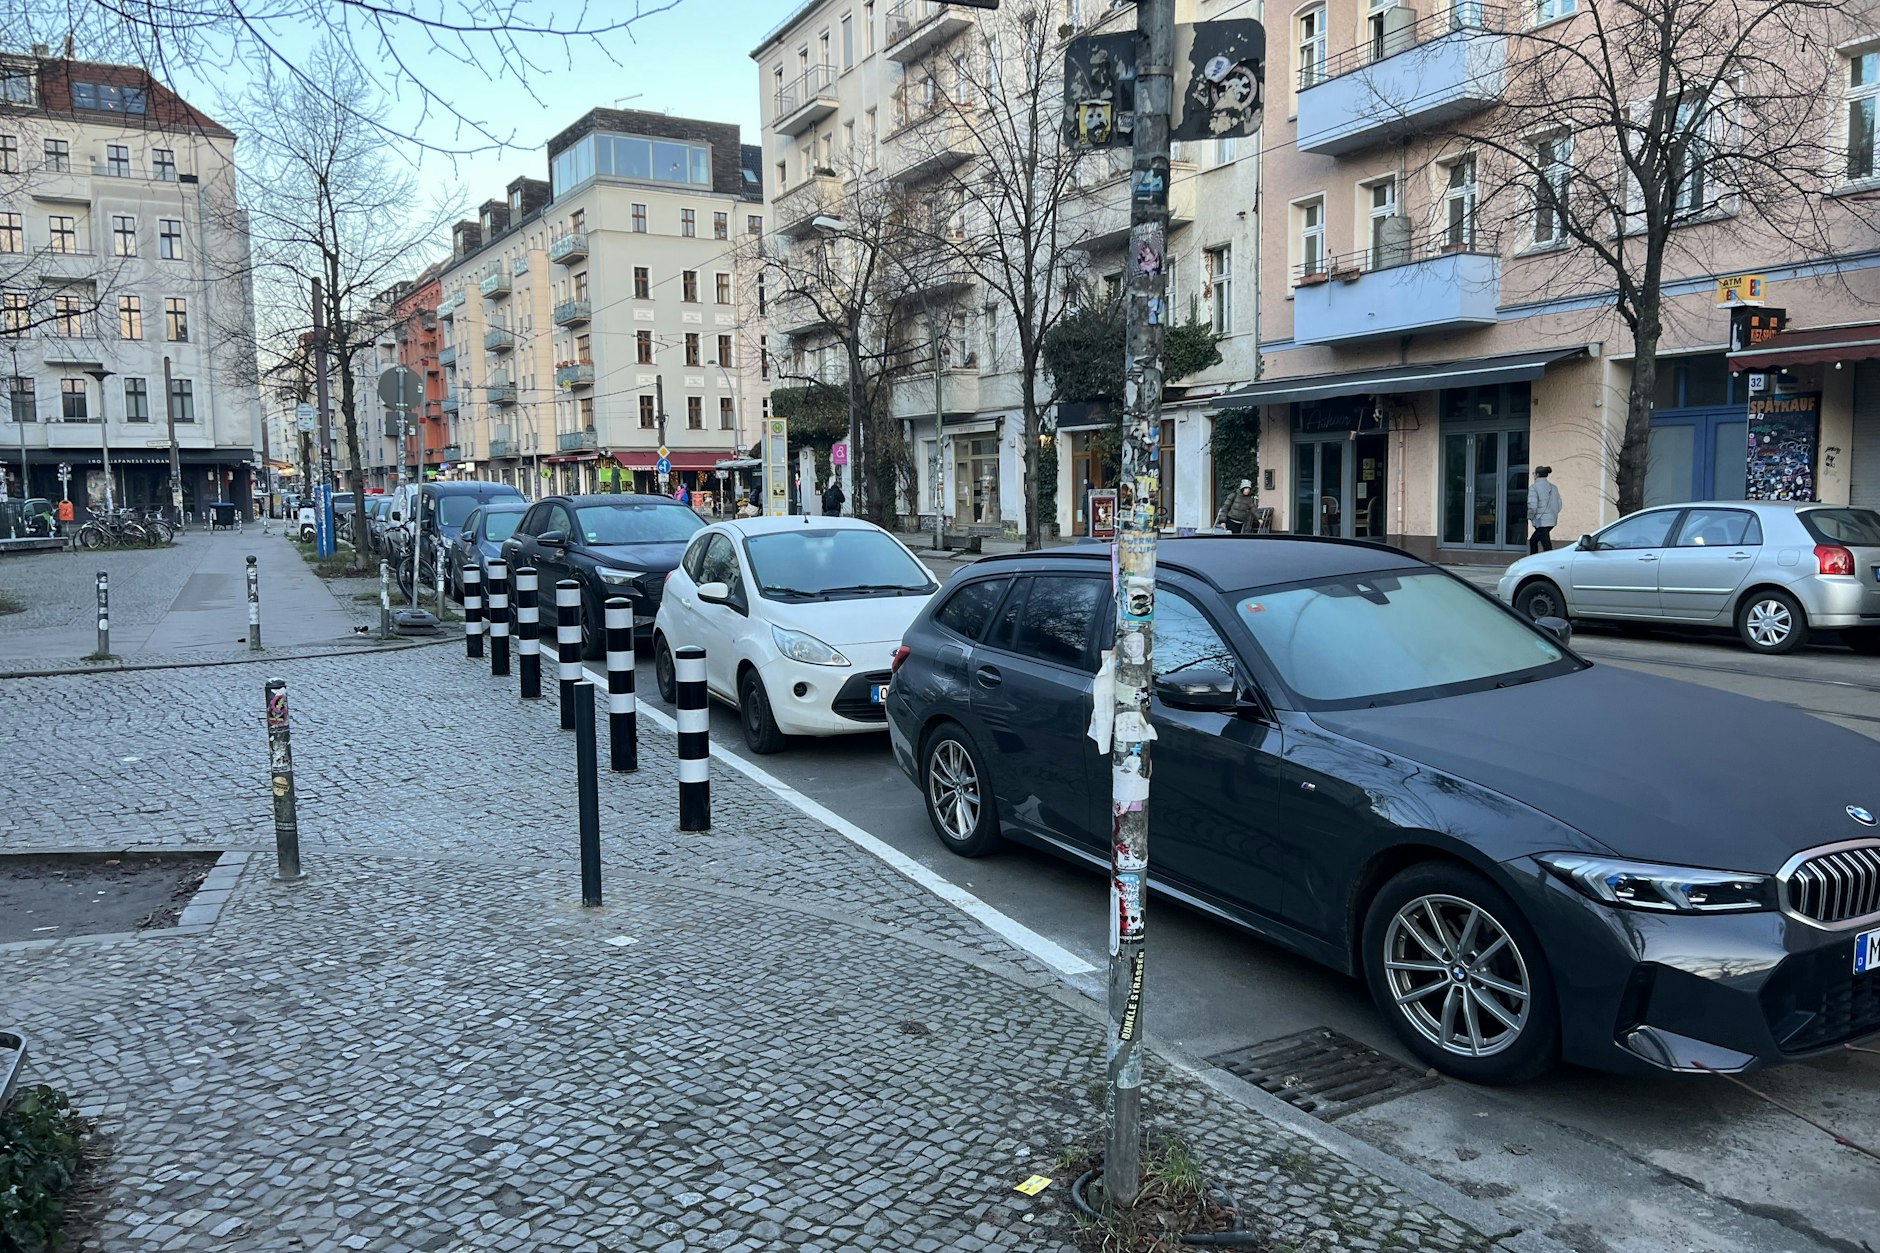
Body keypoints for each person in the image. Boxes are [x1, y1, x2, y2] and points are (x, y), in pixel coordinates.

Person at [1527, 466, 1562, 553]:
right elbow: (1559, 504)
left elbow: (1532, 505)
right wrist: (1553, 514)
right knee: (1540, 541)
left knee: (1540, 543)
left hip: (1541, 521)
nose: (1533, 475)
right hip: (1551, 520)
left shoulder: (1533, 488)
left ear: (1537, 474)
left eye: (1534, 473)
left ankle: (1534, 562)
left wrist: (1530, 517)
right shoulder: (1553, 487)